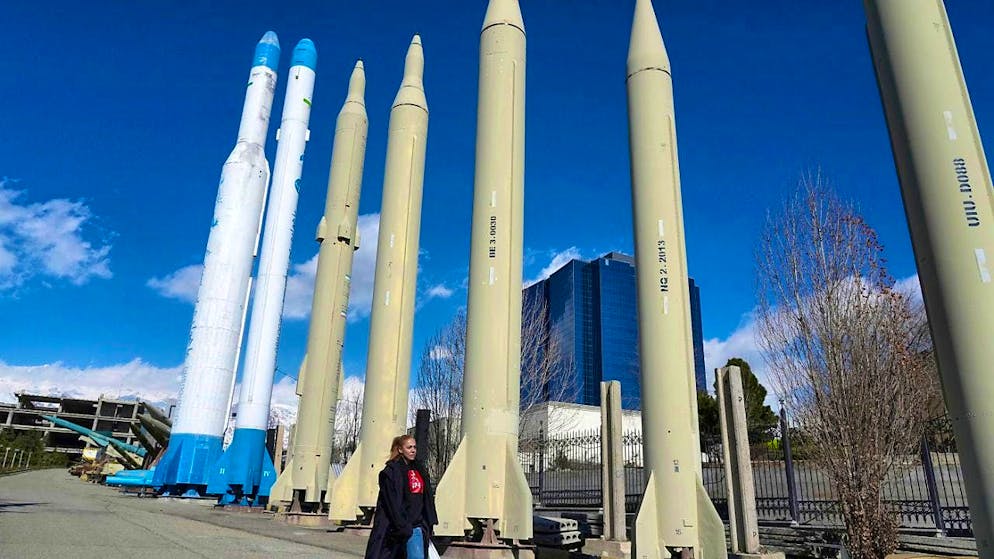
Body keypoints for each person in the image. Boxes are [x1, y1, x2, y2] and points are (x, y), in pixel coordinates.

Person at [365, 435, 438, 559]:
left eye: (414, 447)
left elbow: (426, 498)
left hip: (417, 526)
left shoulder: (420, 470)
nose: (413, 450)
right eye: (409, 447)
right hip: (396, 528)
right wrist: (403, 526)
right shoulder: (390, 472)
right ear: (400, 449)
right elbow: (391, 503)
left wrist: (428, 522)